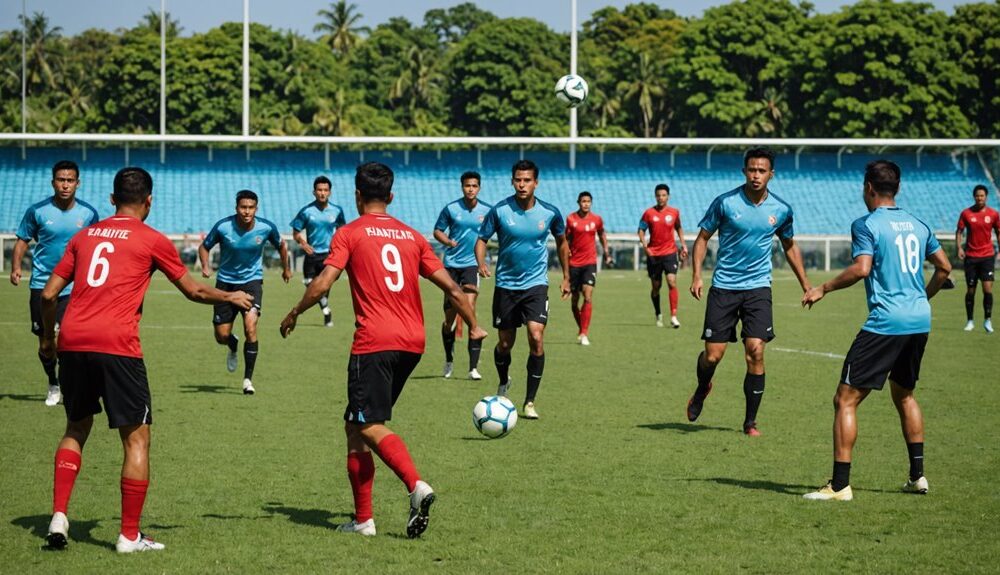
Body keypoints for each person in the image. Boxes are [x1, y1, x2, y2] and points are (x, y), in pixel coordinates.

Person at [39, 167, 253, 552]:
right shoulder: (152, 239)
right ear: (149, 201)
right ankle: (129, 535)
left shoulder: (84, 236)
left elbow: (50, 294)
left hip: (72, 341)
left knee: (76, 427)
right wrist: (230, 296)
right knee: (137, 439)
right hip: (117, 345)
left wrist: (48, 341)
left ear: (111, 199)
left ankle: (58, 516)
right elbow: (192, 290)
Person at [280, 162, 486, 538]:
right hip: (413, 343)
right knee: (355, 424)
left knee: (367, 423)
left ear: (357, 196)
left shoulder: (350, 233)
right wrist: (473, 324)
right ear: (390, 196)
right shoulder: (412, 236)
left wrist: (294, 311)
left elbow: (325, 282)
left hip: (374, 341)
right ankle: (363, 520)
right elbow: (453, 289)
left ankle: (415, 485)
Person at [802, 160, 951, 501]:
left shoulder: (867, 224)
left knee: (845, 400)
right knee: (905, 395)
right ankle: (917, 477)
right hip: (919, 321)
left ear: (868, 187)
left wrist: (823, 288)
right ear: (896, 188)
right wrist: (921, 298)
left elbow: (861, 268)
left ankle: (839, 486)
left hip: (887, 322)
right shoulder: (918, 224)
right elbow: (944, 267)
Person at [687, 147, 810, 436]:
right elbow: (703, 238)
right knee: (713, 356)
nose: (756, 175)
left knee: (755, 350)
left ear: (771, 174)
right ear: (744, 171)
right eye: (751, 170)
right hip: (724, 288)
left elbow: (790, 246)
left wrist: (805, 284)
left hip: (758, 288)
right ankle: (703, 386)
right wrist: (696, 275)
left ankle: (750, 422)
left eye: (761, 171)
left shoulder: (781, 210)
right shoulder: (725, 203)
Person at [475, 159, 570, 419]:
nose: (522, 184)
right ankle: (504, 381)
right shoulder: (500, 210)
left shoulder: (549, 212)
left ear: (536, 182)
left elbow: (562, 242)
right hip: (506, 285)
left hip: (536, 284)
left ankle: (530, 401)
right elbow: (481, 239)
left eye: (527, 180)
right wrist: (481, 261)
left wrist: (566, 276)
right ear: (512, 181)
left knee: (536, 337)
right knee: (505, 344)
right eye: (518, 179)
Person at [10, 160, 99, 406]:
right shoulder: (37, 211)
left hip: (74, 285)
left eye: (70, 180)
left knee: (68, 340)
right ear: (53, 182)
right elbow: (22, 240)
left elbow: (95, 245)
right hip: (41, 284)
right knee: (47, 343)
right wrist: (16, 267)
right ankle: (53, 382)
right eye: (61, 179)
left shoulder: (89, 213)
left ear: (77, 183)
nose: (65, 185)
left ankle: (71, 385)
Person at [199, 190, 292, 395]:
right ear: (236, 208)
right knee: (221, 336)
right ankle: (232, 344)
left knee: (251, 326)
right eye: (243, 207)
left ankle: (248, 380)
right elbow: (204, 247)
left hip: (252, 282)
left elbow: (282, 245)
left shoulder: (266, 227)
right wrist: (205, 266)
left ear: (256, 209)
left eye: (250, 207)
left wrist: (286, 268)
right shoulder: (223, 226)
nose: (246, 211)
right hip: (225, 284)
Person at [433, 170, 492, 380]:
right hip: (451, 266)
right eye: (467, 185)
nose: (471, 189)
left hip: (471, 266)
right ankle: (449, 360)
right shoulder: (451, 208)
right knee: (449, 319)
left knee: (470, 310)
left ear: (479, 187)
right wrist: (447, 241)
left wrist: (484, 261)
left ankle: (473, 368)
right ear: (462, 187)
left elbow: (492, 234)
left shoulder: (487, 210)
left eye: (474, 186)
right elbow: (437, 230)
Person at [290, 175, 347, 327]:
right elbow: (295, 232)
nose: (322, 193)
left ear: (330, 192)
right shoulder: (306, 211)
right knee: (310, 284)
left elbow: (342, 229)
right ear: (314, 192)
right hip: (311, 254)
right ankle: (327, 311)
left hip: (329, 256)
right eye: (319, 190)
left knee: (323, 288)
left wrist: (338, 244)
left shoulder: (336, 211)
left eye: (325, 190)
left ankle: (325, 309)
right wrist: (303, 242)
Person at [566, 191, 612, 345]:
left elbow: (602, 235)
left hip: (590, 263)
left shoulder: (597, 219)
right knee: (574, 302)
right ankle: (582, 328)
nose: (586, 204)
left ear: (591, 203)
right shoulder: (571, 219)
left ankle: (584, 332)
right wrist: (567, 253)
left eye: (588, 201)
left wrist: (606, 253)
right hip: (574, 264)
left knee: (588, 296)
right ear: (578, 202)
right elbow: (566, 240)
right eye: (583, 201)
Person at [638, 183, 687, 328]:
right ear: (655, 196)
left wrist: (683, 244)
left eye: (664, 195)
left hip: (670, 253)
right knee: (656, 287)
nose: (661, 198)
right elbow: (641, 230)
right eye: (658, 195)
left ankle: (673, 316)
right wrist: (645, 245)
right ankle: (658, 313)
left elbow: (678, 227)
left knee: (672, 281)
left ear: (668, 196)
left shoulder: (674, 212)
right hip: (654, 255)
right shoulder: (648, 213)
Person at [955, 184, 999, 333]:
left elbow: (998, 232)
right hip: (971, 257)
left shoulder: (993, 214)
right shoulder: (966, 213)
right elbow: (959, 231)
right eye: (977, 195)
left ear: (986, 197)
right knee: (971, 291)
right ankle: (970, 321)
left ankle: (987, 320)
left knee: (987, 290)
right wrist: (959, 247)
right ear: (974, 197)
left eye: (982, 195)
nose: (980, 198)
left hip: (987, 256)